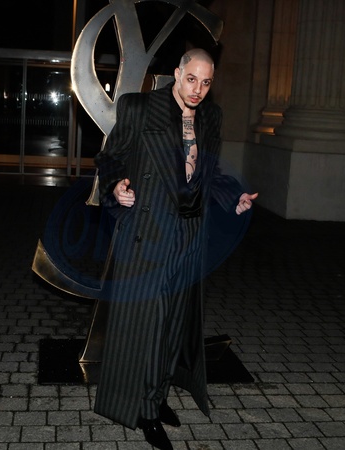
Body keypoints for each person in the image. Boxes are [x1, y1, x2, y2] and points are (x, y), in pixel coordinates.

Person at [93, 48, 257, 450]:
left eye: (206, 82)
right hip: (149, 231)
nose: (198, 89)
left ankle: (160, 393)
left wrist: (232, 198)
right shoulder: (139, 108)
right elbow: (110, 157)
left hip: (190, 234)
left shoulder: (211, 116)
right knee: (149, 324)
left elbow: (209, 171)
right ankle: (147, 410)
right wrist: (117, 186)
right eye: (192, 79)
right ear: (177, 74)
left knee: (174, 322)